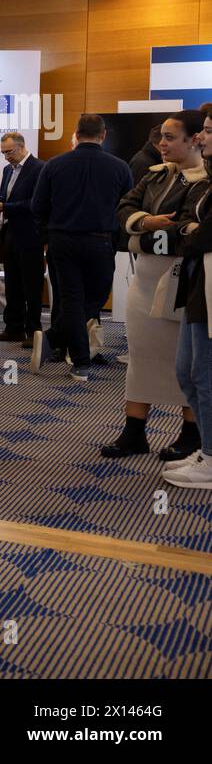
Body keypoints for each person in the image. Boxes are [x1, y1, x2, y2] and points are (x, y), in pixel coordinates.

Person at [100, 110, 208, 459]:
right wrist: (147, 223)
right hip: (146, 277)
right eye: (161, 136)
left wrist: (143, 231)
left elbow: (190, 230)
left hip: (184, 280)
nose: (161, 143)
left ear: (193, 139)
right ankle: (135, 432)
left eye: (170, 137)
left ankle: (190, 435)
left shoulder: (205, 181)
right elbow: (124, 208)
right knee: (141, 356)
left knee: (187, 365)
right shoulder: (154, 175)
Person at [29, 113, 133, 382]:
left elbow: (37, 207)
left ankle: (65, 349)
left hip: (61, 242)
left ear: (76, 133)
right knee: (95, 299)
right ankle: (78, 359)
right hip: (101, 242)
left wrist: (47, 236)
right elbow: (127, 210)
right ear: (103, 134)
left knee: (73, 301)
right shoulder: (120, 167)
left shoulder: (54, 165)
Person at [168, 107, 212, 488]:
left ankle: (211, 457)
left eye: (209, 132)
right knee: (186, 371)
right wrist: (190, 230)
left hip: (210, 287)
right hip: (197, 285)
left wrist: (192, 232)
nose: (201, 137)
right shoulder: (202, 182)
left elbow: (201, 235)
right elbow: (184, 227)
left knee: (203, 373)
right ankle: (207, 450)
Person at [0, 132, 46, 345]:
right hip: (10, 234)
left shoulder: (39, 168)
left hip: (31, 236)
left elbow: (36, 204)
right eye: (3, 153)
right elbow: (7, 197)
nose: (6, 157)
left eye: (9, 152)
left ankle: (33, 332)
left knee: (31, 285)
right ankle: (13, 328)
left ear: (21, 147)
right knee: (12, 284)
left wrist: (6, 206)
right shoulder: (7, 169)